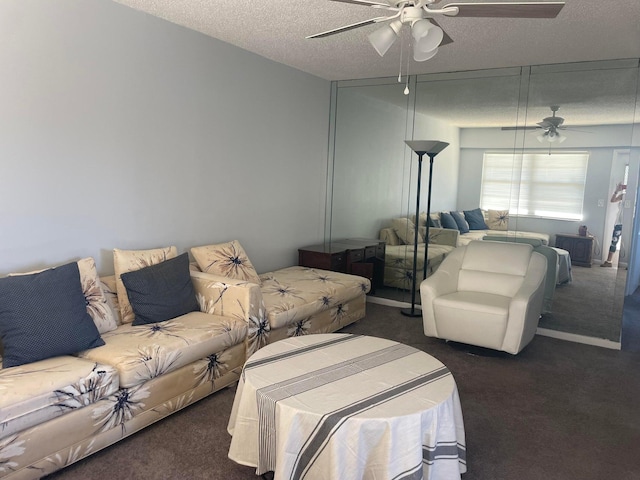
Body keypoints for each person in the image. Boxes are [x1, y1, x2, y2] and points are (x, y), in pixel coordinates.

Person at [601, 182, 626, 267]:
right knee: (614, 241)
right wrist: (617, 191)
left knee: (631, 243)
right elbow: (612, 200)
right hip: (619, 222)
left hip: (630, 223)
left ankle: (630, 264)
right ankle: (609, 261)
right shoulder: (623, 195)